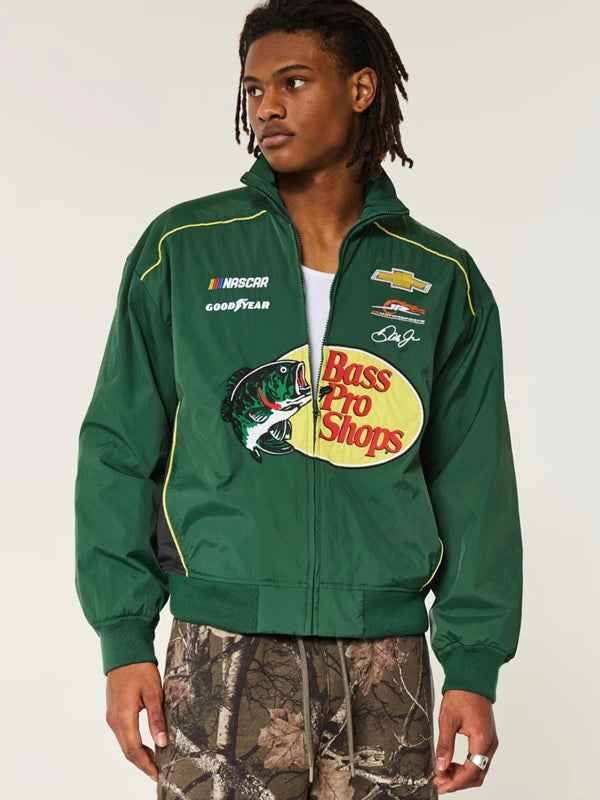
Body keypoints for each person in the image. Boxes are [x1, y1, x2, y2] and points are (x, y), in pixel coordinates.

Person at [75, 1, 522, 797]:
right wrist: (123, 639)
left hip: (385, 661)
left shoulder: (439, 277)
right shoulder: (183, 248)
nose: (266, 107)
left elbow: (474, 481)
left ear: (361, 89)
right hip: (221, 646)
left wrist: (473, 665)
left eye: (293, 82)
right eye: (253, 89)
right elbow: (118, 448)